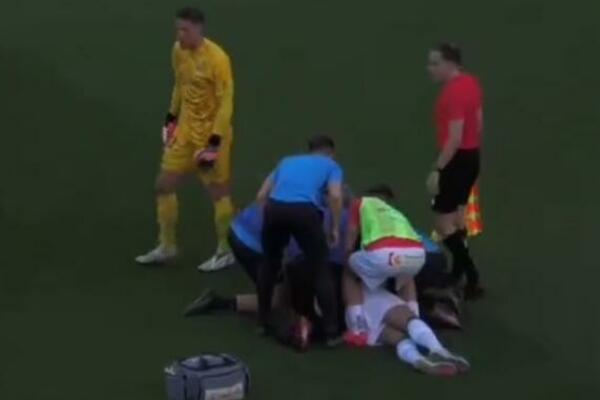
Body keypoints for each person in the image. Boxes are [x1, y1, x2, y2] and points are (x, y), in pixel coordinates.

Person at [135, 7, 236, 272]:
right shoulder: (178, 51)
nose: (180, 35)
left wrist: (214, 142)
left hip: (210, 136)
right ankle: (167, 246)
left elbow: (226, 102)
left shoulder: (218, 59)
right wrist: (171, 117)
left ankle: (226, 250)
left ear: (199, 29)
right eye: (177, 29)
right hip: (185, 133)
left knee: (218, 193)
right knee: (163, 186)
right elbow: (180, 84)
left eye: (185, 30)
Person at [256, 134, 344, 345]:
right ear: (330, 153)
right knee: (320, 267)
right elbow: (335, 195)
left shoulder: (286, 161)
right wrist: (334, 227)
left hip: (274, 208)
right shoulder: (332, 166)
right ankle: (332, 332)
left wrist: (269, 220)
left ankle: (262, 322)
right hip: (304, 211)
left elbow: (261, 195)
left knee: (269, 264)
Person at [425, 43, 485, 299]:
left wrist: (438, 169)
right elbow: (478, 122)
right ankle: (459, 274)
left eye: (435, 63)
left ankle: (471, 276)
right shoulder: (471, 83)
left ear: (451, 64)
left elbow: (455, 137)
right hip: (472, 158)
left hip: (456, 161)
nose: (430, 69)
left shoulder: (452, 94)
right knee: (458, 219)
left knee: (442, 223)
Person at [355, 285, 470, 376]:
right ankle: (438, 350)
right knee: (407, 319)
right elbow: (406, 279)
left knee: (392, 334)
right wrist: (414, 315)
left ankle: (416, 359)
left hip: (352, 311)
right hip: (369, 294)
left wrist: (356, 324)